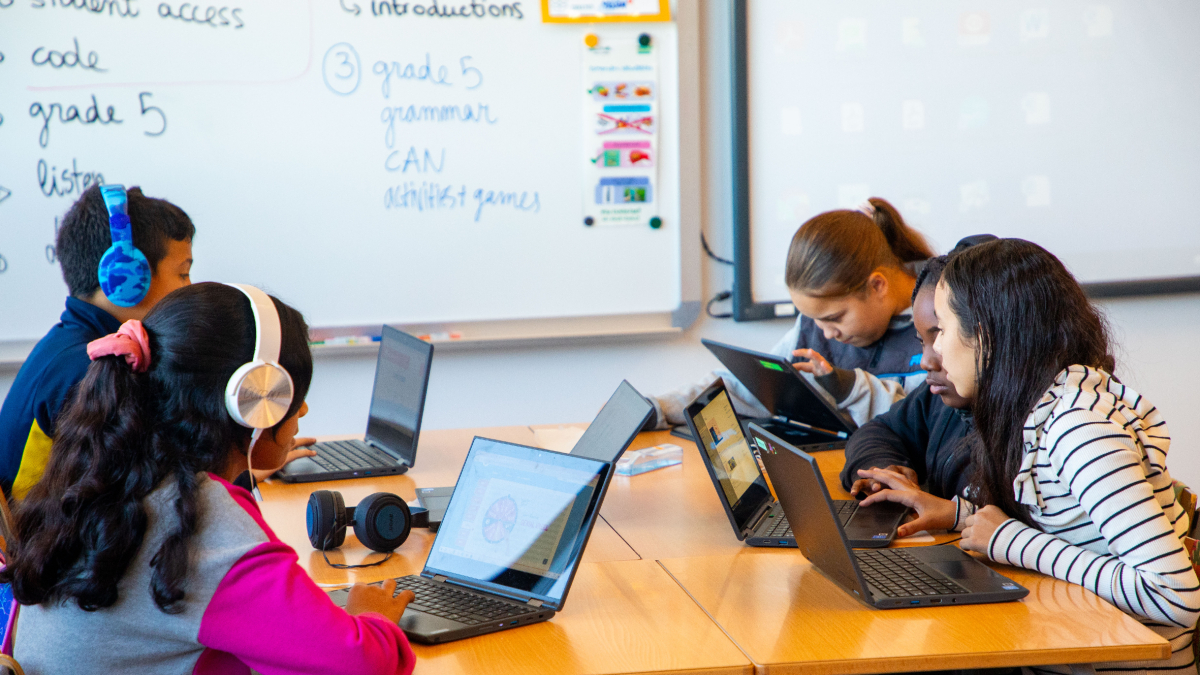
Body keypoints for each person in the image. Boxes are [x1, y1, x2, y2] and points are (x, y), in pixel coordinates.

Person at [0, 283, 416, 674]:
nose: (302, 410)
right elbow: (362, 664)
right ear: (254, 401)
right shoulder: (202, 527)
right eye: (292, 395)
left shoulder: (106, 479)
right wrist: (372, 617)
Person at [860, 239, 1199, 672]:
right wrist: (959, 516)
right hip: (1071, 647)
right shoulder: (1040, 406)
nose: (934, 352)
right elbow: (1073, 530)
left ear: (984, 336)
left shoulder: (1078, 428)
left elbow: (1173, 597)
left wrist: (1012, 542)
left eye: (941, 330)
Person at [647, 197, 932, 429]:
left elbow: (929, 424)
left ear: (877, 285)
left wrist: (849, 388)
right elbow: (751, 388)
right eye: (814, 319)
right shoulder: (814, 328)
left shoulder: (940, 325)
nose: (826, 334)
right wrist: (659, 408)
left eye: (834, 318)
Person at [840, 236, 997, 520]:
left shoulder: (1040, 426)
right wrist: (884, 470)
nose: (926, 361)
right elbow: (879, 430)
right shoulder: (940, 397)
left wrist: (954, 516)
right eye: (921, 341)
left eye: (940, 337)